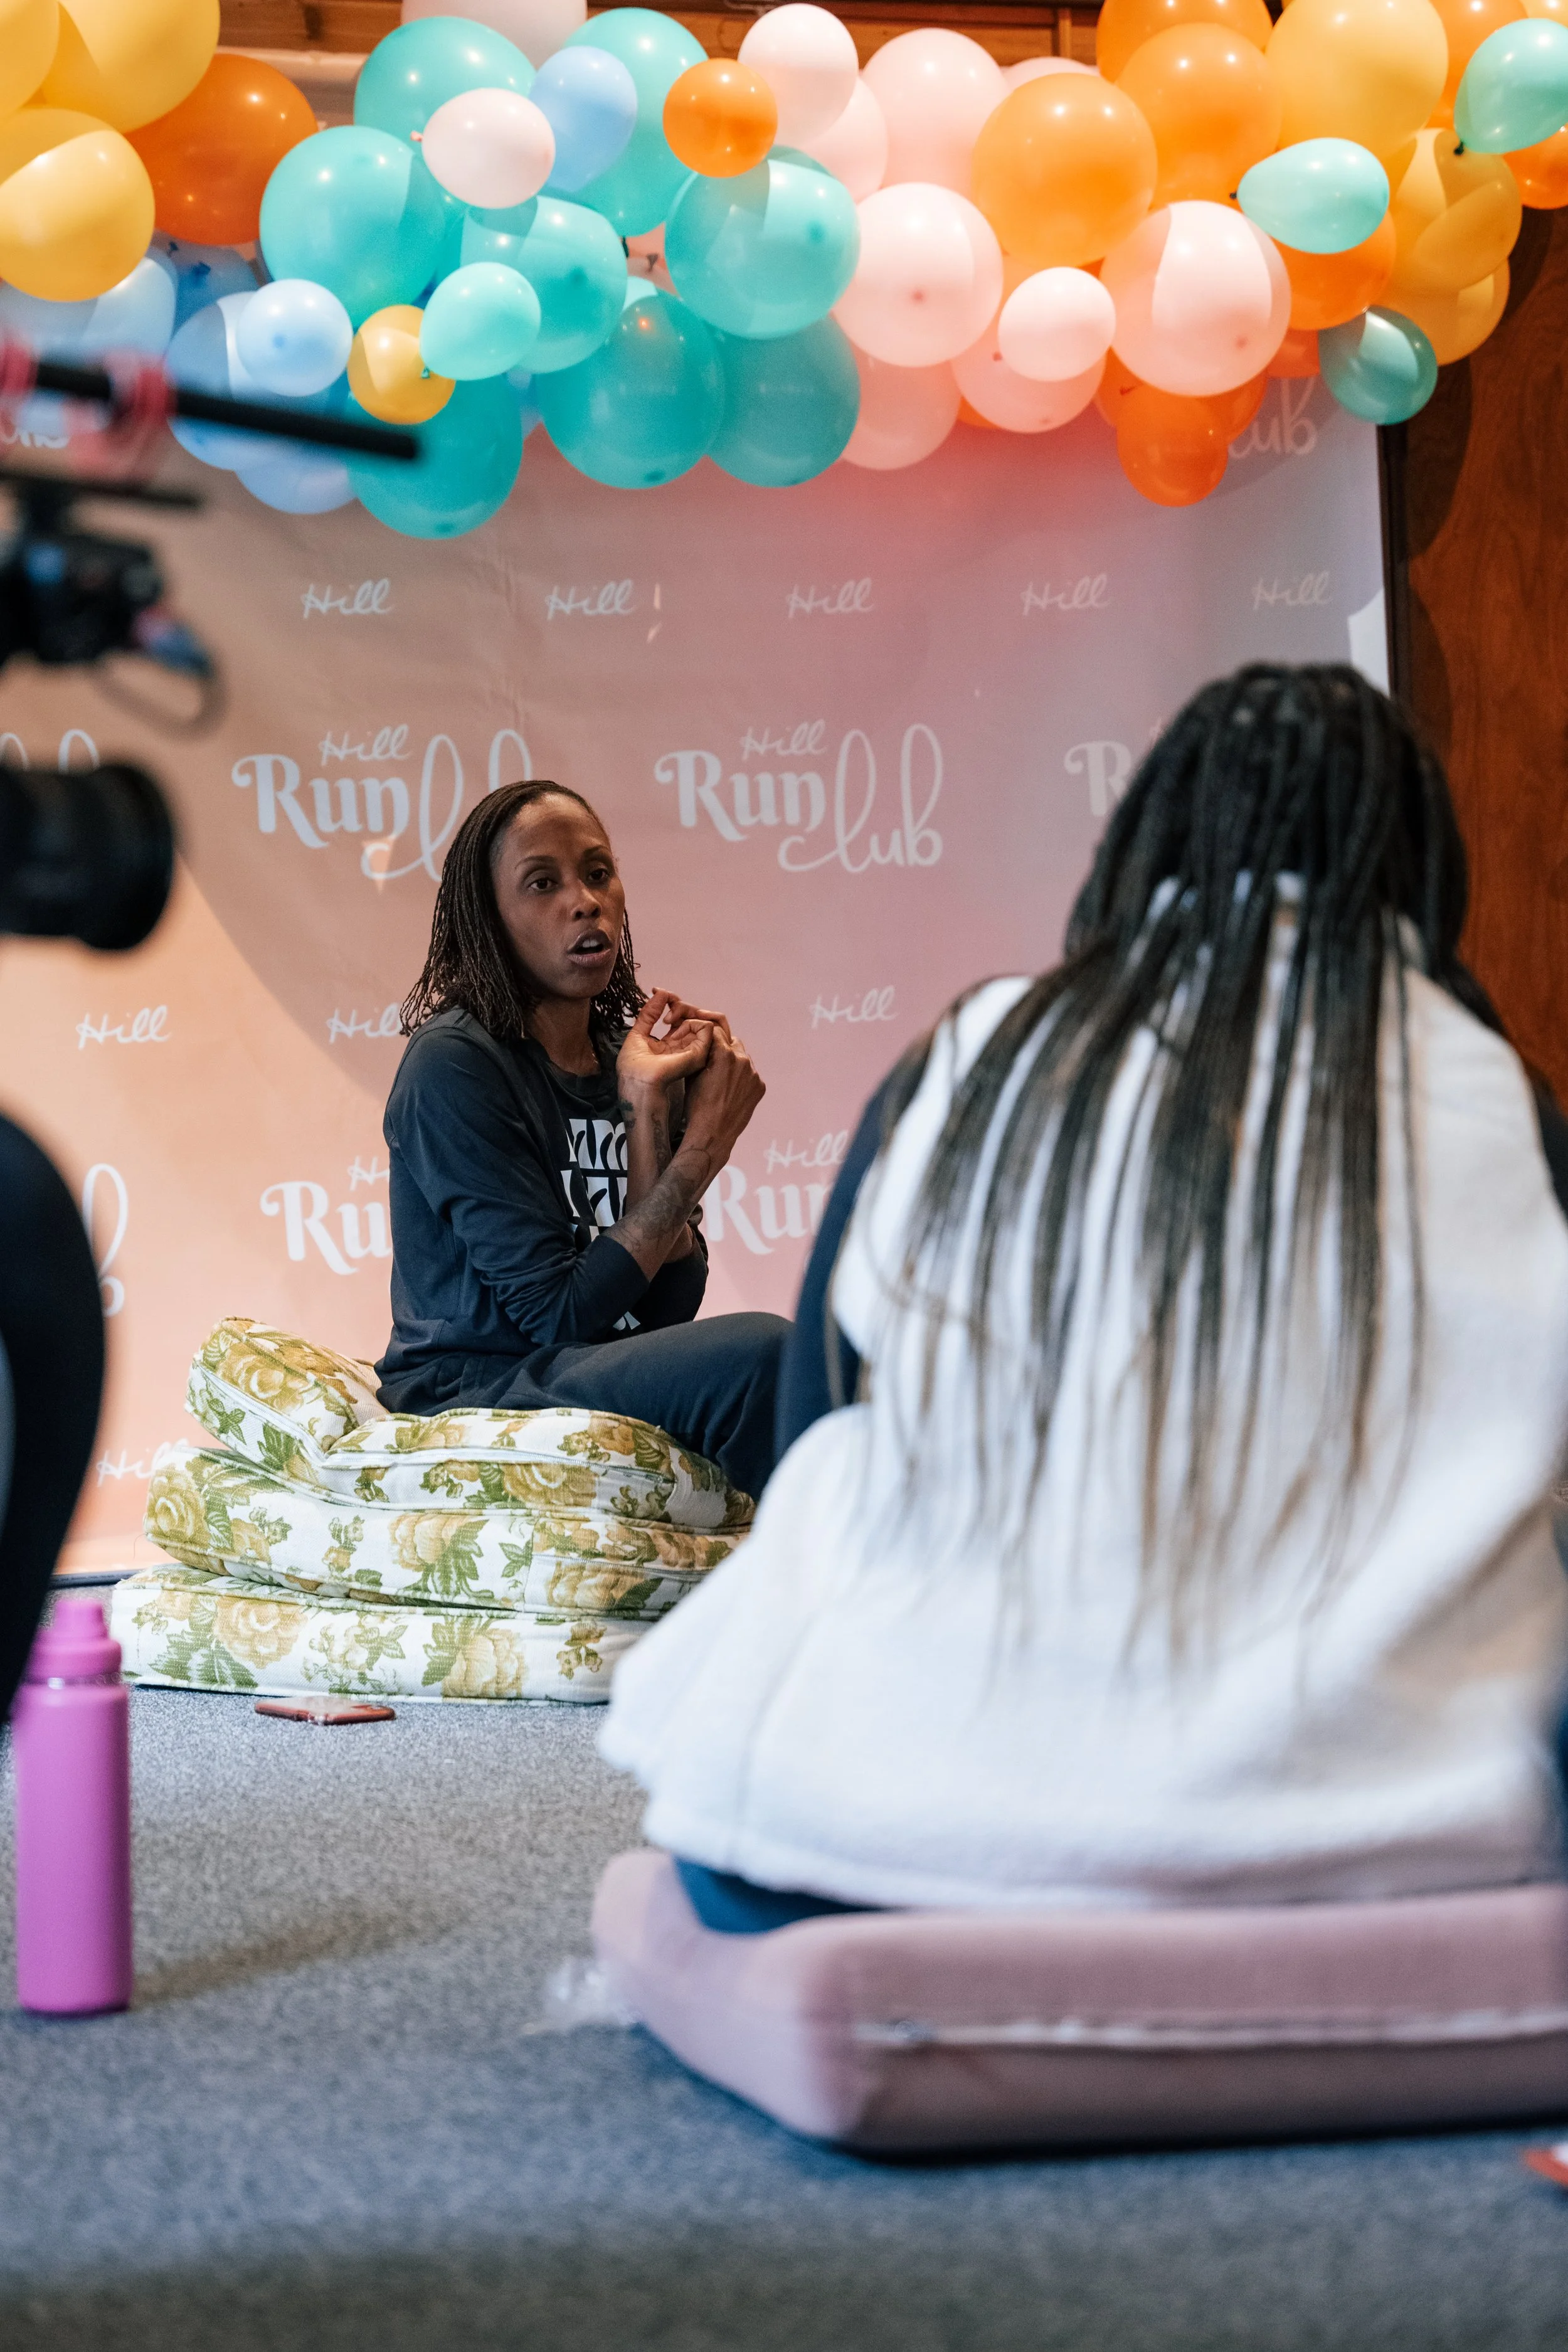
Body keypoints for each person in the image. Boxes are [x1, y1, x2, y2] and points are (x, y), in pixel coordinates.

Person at [601, 664, 1568, 1927]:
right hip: (1414, 1834)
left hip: (890, 1834)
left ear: (1138, 843)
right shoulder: (1499, 1095)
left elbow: (811, 1421)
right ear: (1418, 866)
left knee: (837, 1500)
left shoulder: (979, 1042)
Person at [377, 780, 787, 1502]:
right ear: (491, 920)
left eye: (598, 873)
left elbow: (665, 1307)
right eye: (543, 883)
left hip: (575, 1360)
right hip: (474, 1387)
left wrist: (645, 1111)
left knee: (814, 1350)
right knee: (763, 1354)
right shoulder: (456, 1065)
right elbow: (555, 1314)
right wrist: (705, 1152)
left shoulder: (616, 1055)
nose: (583, 900)